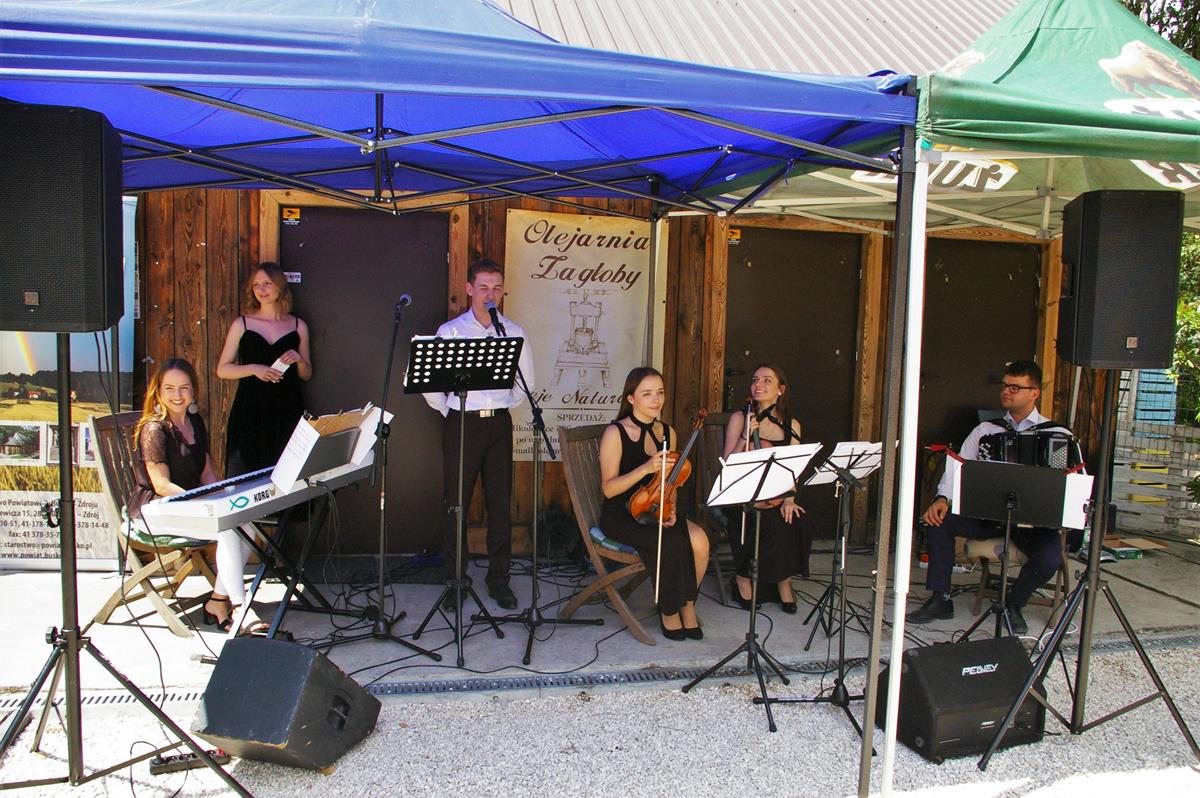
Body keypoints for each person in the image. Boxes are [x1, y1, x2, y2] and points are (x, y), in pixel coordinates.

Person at [906, 360, 1069, 634]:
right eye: (1004, 385)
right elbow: (957, 467)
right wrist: (942, 499)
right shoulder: (986, 431)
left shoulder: (1058, 435)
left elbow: (1072, 481)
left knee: (1049, 558)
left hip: (1033, 524)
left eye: (1015, 387)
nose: (1006, 391)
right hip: (990, 517)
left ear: (1034, 393)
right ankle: (940, 598)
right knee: (938, 521)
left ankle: (1014, 603)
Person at [422, 258, 535, 610]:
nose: (490, 294)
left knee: (500, 504)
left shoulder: (513, 331)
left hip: (498, 424)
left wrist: (501, 407)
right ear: (470, 289)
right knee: (455, 504)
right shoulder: (450, 331)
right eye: (484, 287)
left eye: (496, 288)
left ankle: (499, 580)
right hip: (462, 422)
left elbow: (526, 383)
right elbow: (431, 383)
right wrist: (451, 411)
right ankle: (456, 580)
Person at [127, 358, 254, 632]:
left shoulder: (195, 421)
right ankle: (241, 607)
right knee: (227, 529)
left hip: (188, 503)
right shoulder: (154, 429)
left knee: (247, 526)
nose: (178, 395)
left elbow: (207, 473)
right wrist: (202, 504)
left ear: (193, 390)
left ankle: (218, 600)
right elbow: (161, 485)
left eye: (184, 388)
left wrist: (223, 498)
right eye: (170, 388)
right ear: (158, 391)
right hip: (156, 509)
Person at [598, 367, 711, 641]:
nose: (655, 399)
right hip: (621, 516)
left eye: (659, 392)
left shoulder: (668, 432)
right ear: (631, 398)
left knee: (700, 540)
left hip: (656, 509)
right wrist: (646, 468)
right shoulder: (616, 432)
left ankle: (687, 604)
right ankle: (668, 610)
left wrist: (670, 507)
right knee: (671, 542)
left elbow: (670, 482)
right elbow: (609, 489)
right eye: (647, 393)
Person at [722, 364, 810, 613]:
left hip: (776, 494)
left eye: (767, 380)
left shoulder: (792, 424)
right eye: (755, 380)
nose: (758, 385)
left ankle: (784, 581)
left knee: (796, 519)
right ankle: (743, 577)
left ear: (781, 389)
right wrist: (745, 436)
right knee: (763, 520)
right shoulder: (740, 418)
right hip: (741, 494)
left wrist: (789, 499)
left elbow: (793, 470)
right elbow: (727, 463)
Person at [216, 262, 311, 477]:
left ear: (280, 286)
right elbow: (222, 369)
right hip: (250, 410)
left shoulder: (298, 326)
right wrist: (253, 369)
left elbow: (306, 374)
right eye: (256, 284)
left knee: (286, 474)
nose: (261, 289)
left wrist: (298, 360)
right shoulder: (242, 324)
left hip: (286, 409)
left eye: (267, 283)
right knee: (246, 474)